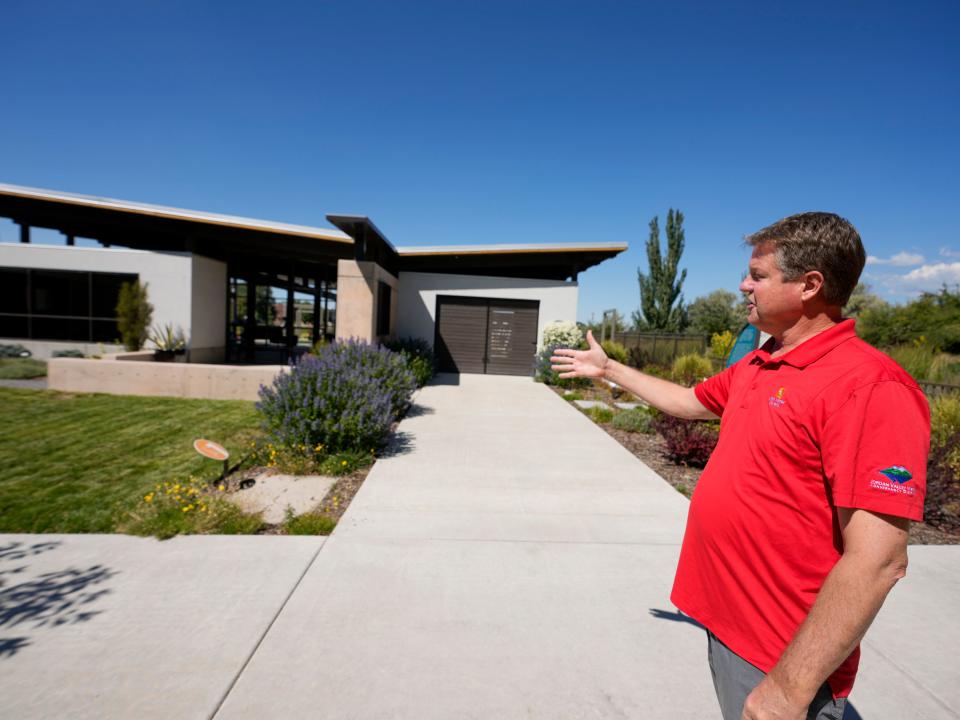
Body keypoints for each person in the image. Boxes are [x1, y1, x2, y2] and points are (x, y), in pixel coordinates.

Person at [551, 212, 929, 720]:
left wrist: (790, 689)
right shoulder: (759, 363)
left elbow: (879, 560)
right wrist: (610, 369)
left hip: (778, 647)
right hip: (729, 621)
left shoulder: (870, 388)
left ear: (809, 285)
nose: (743, 284)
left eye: (759, 274)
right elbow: (688, 401)